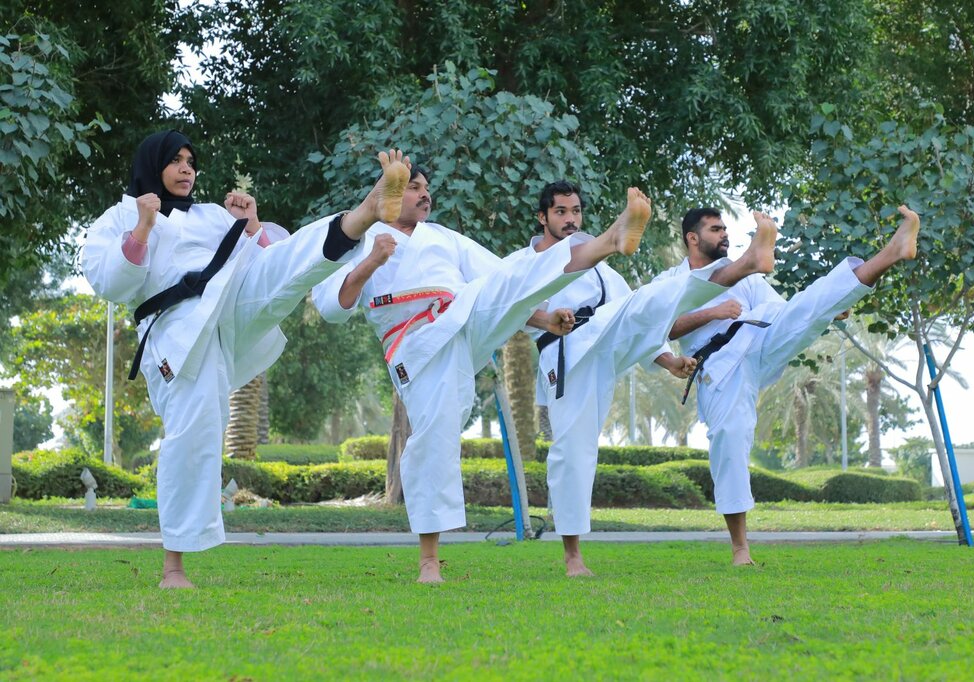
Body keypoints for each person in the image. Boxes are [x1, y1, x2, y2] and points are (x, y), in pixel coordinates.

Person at [83, 130, 411, 588]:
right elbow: (110, 283)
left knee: (284, 270)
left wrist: (252, 226)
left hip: (230, 304)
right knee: (194, 431)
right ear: (151, 165)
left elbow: (266, 261)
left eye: (190, 161)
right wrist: (142, 228)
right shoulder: (122, 215)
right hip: (175, 327)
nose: (186, 169)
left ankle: (365, 212)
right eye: (175, 160)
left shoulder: (212, 214)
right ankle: (173, 567)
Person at [312, 166, 656, 583]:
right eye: (413, 188)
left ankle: (607, 242)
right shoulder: (360, 238)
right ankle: (428, 561)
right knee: (436, 435)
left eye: (426, 188)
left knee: (514, 274)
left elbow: (503, 282)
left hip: (461, 314)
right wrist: (371, 261)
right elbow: (333, 307)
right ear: (388, 193)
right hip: (414, 342)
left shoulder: (444, 237)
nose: (425, 195)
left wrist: (544, 319)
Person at [516, 181, 780, 577]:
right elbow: (513, 309)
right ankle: (573, 557)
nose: (571, 219)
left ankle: (745, 265)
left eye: (576, 211)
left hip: (605, 339)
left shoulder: (600, 271)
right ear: (542, 217)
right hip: (566, 352)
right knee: (573, 452)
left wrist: (668, 361)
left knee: (644, 301)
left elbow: (640, 319)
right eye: (561, 212)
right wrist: (547, 320)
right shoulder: (526, 262)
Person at [663, 205, 920, 565]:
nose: (724, 235)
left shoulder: (742, 275)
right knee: (729, 442)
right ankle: (740, 549)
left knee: (808, 305)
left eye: (725, 229)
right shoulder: (671, 281)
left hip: (758, 336)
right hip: (719, 368)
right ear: (693, 238)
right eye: (715, 230)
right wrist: (713, 313)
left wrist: (827, 308)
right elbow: (663, 327)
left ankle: (892, 252)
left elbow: (783, 312)